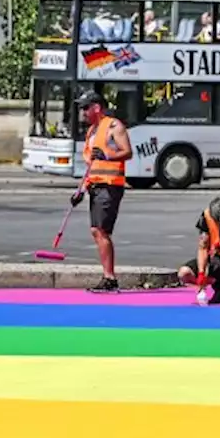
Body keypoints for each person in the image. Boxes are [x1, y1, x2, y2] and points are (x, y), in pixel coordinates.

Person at [71, 90, 132, 293]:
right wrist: (80, 189)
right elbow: (91, 165)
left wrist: (107, 154)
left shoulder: (113, 126)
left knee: (101, 231)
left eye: (85, 108)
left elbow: (127, 152)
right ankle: (108, 275)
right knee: (96, 231)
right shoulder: (91, 132)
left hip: (110, 185)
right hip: (95, 185)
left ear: (96, 108)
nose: (82, 112)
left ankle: (109, 277)